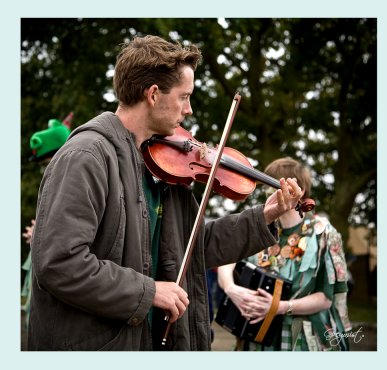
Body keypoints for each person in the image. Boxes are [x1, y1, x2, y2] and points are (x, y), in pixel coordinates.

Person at [27, 35, 303, 351]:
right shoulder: (86, 157)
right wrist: (149, 292)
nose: (189, 109)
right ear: (154, 95)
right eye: (185, 97)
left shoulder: (165, 168)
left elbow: (192, 247)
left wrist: (264, 216)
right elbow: (59, 263)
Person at [218, 157, 352, 351]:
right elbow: (226, 258)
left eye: (273, 186)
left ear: (298, 191)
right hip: (256, 340)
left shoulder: (324, 233)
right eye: (265, 187)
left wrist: (279, 307)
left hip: (302, 341)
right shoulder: (262, 228)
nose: (267, 193)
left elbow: (325, 298)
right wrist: (231, 288)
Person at [21, 115, 72, 328]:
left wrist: (40, 234)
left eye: (47, 161)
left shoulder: (71, 175)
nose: (46, 167)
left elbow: (68, 229)